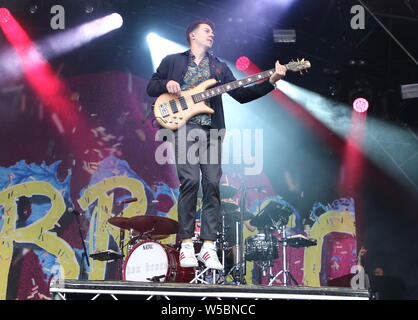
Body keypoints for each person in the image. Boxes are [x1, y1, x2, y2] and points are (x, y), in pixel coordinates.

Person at [146, 19, 287, 270]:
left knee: (212, 183)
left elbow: (241, 94)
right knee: (190, 181)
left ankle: (209, 246)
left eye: (213, 31)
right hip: (184, 127)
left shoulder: (219, 68)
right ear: (192, 35)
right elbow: (151, 86)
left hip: (211, 130)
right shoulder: (173, 61)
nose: (212, 34)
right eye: (207, 31)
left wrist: (272, 80)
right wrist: (166, 83)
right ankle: (187, 243)